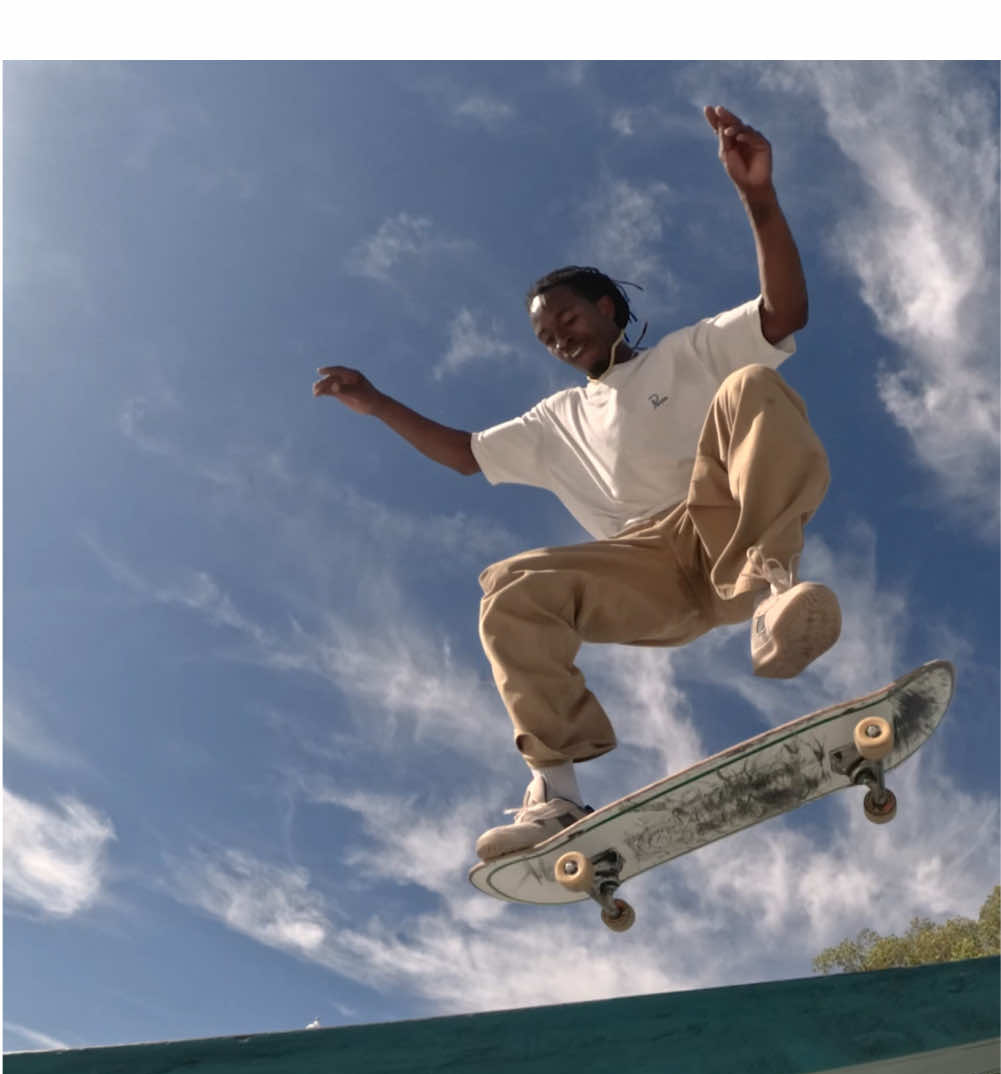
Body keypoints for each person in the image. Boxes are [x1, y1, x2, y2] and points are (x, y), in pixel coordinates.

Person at [314, 105, 841, 862]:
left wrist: (758, 199)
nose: (558, 337)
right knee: (510, 586)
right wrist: (375, 404)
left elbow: (784, 311)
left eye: (564, 317)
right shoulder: (553, 419)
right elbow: (466, 454)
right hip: (644, 572)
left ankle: (773, 592)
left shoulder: (686, 354)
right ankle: (555, 794)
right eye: (544, 335)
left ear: (606, 307)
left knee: (752, 384)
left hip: (724, 532)